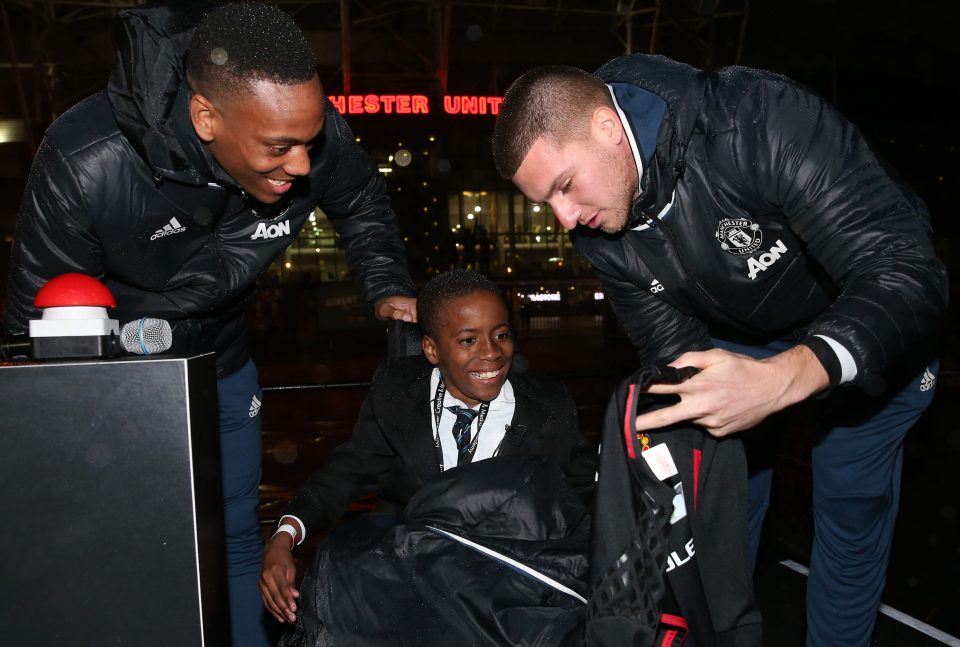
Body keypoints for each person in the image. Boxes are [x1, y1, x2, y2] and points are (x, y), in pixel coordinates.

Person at [491, 57, 948, 646]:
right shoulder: (599, 226)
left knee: (850, 508)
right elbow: (673, 347)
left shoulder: (757, 121)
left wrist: (792, 374)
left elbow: (909, 272)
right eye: (544, 204)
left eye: (564, 186)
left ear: (607, 126)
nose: (565, 218)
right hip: (741, 337)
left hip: (871, 318)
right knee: (714, 502)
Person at [2, 3, 416, 646]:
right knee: (122, 538)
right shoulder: (88, 161)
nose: (304, 164)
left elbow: (360, 198)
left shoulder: (305, 130)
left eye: (310, 142)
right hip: (118, 384)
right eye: (280, 148)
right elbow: (38, 335)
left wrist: (388, 288)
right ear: (206, 118)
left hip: (223, 362)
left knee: (234, 531)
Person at [258, 269, 597, 625]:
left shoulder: (549, 409)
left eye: (501, 334)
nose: (493, 353)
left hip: (505, 608)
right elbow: (347, 473)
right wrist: (284, 537)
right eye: (469, 340)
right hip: (409, 592)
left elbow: (588, 495)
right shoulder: (397, 392)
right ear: (432, 349)